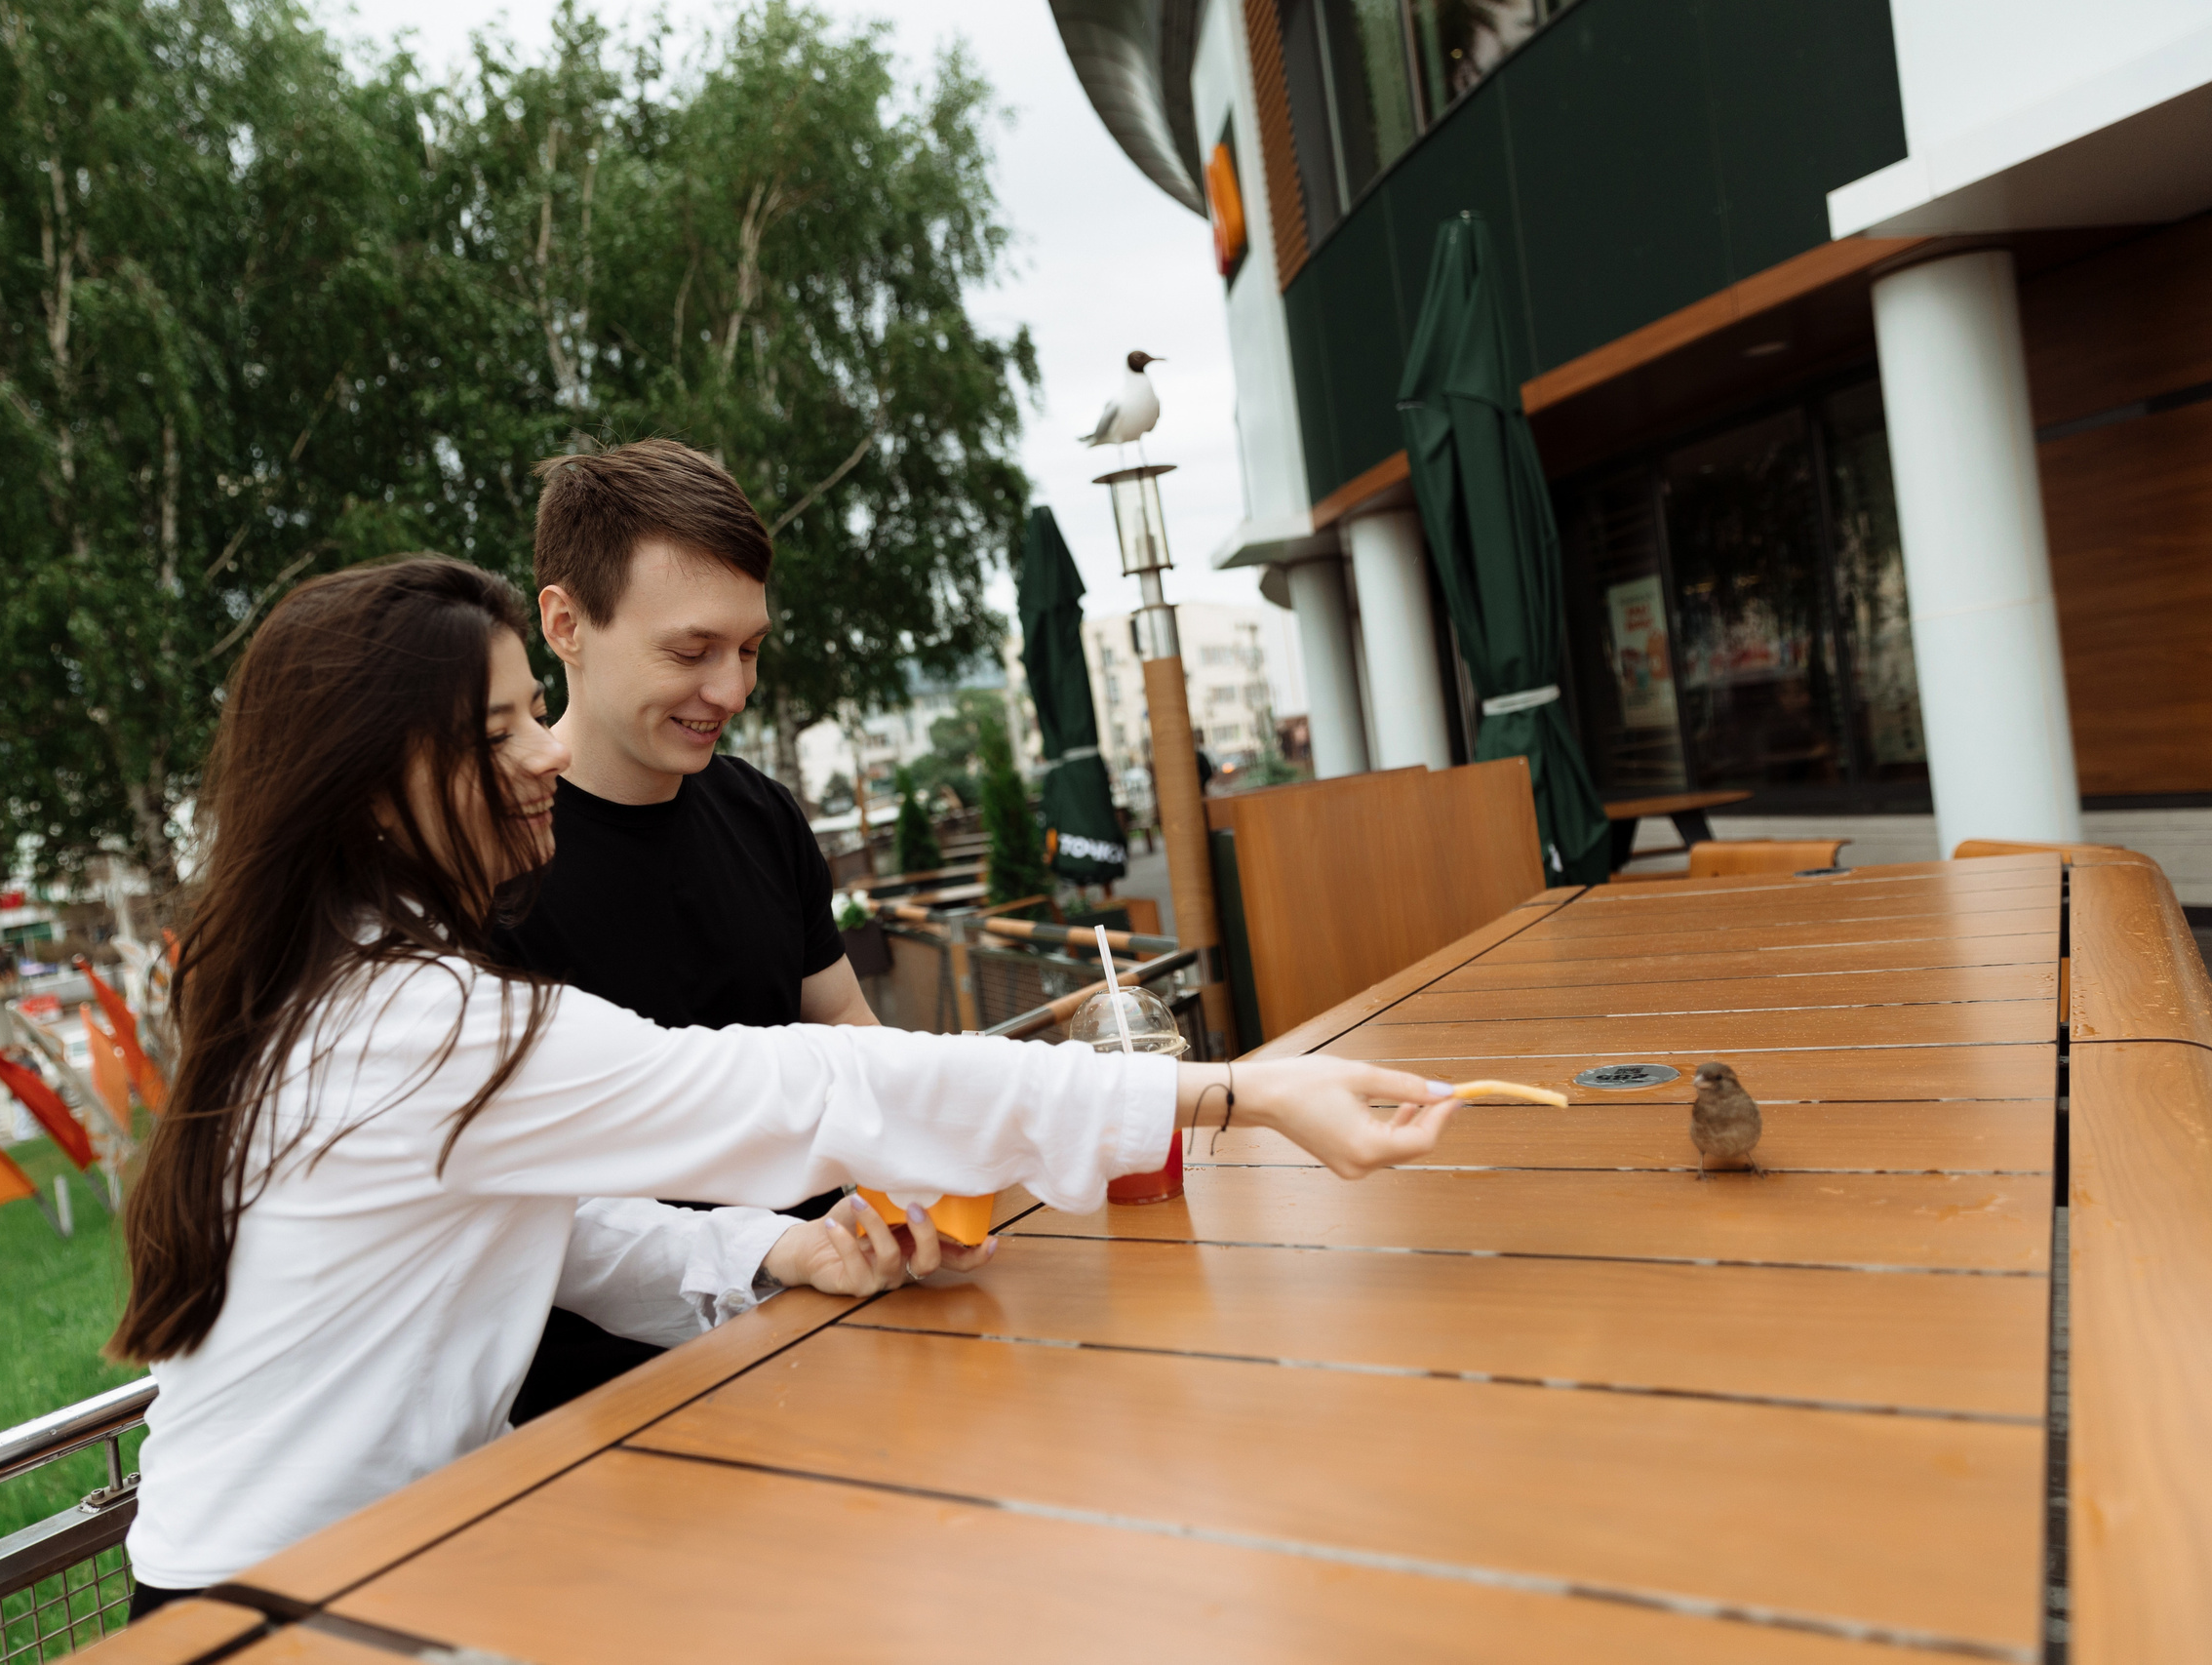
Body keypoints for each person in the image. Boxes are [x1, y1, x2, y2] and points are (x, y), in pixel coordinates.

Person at [110, 555, 1459, 1614]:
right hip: (278, 1601)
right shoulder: (426, 1015)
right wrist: (1233, 1095)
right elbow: (811, 1079)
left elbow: (547, 1222)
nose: (543, 753)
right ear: (367, 794)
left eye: (531, 712)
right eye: (497, 728)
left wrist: (771, 1251)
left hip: (284, 1566)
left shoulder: (349, 985)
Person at [497, 440, 873, 1418]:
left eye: (748, 649)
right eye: (691, 651)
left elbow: (851, 1040)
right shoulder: (486, 868)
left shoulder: (764, 815)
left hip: (822, 1333)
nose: (733, 691)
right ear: (564, 624)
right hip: (596, 1409)